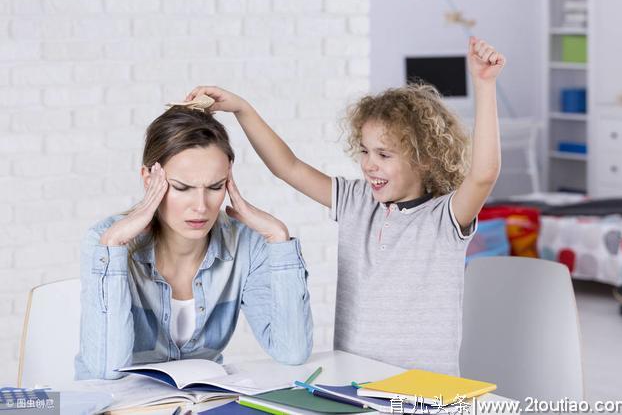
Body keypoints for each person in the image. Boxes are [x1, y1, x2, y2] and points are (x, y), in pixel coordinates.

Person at [185, 37, 504, 376]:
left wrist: (484, 85)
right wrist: (242, 109)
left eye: (384, 155)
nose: (369, 165)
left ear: (424, 159)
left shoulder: (444, 218)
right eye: (365, 151)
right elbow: (288, 167)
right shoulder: (357, 201)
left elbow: (483, 175)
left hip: (425, 390)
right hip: (356, 381)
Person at [75, 105, 313, 380]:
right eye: (182, 188)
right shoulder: (106, 240)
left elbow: (292, 352)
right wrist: (113, 245)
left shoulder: (247, 244)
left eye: (215, 187)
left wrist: (279, 238)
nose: (200, 207)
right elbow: (107, 369)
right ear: (148, 179)